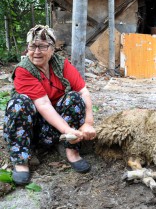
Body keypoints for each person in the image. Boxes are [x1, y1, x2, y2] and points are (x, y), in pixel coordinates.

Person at [3, 25, 96, 185]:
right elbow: (44, 104)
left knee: (73, 98)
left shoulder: (61, 64)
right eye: (32, 46)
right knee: (19, 103)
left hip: (52, 128)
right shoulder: (23, 70)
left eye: (43, 46)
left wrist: (88, 123)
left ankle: (70, 149)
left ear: (52, 49)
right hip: (28, 130)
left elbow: (83, 92)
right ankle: (21, 160)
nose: (36, 51)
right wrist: (67, 129)